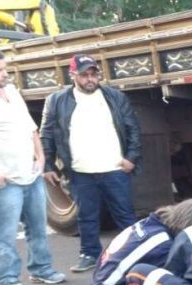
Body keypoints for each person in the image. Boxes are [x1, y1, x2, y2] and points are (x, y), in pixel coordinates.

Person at [41, 54, 142, 273]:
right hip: (80, 171)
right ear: (73, 75)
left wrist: (131, 158)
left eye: (94, 74)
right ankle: (89, 254)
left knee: (125, 214)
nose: (90, 79)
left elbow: (133, 128)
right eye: (84, 74)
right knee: (86, 216)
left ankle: (137, 253)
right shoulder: (56, 101)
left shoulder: (114, 97)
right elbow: (46, 135)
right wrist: (48, 165)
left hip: (115, 168)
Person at [0, 45, 66, 285]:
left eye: (5, 68)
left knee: (37, 227)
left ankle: (41, 269)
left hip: (30, 175)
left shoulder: (12, 91)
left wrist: (40, 157)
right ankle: (8, 278)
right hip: (2, 181)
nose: (5, 74)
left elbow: (30, 128)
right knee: (3, 233)